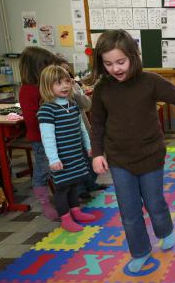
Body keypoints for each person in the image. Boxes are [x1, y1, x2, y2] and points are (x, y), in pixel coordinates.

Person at [90, 29, 175, 274]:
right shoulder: (103, 88)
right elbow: (98, 122)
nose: (115, 68)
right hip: (119, 159)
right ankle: (140, 251)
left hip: (151, 155)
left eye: (121, 62)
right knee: (129, 211)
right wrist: (97, 153)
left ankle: (165, 230)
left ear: (134, 57)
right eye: (108, 63)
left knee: (155, 203)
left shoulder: (150, 81)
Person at [37, 65, 96, 232]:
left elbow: (82, 129)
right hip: (61, 158)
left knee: (74, 183)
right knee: (62, 188)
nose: (64, 86)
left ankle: (75, 211)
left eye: (67, 82)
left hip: (75, 154)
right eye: (58, 83)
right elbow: (47, 137)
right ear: (47, 87)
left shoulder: (72, 104)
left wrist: (89, 146)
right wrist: (54, 159)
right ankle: (65, 218)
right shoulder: (47, 110)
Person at [19, 46, 60, 220]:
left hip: (56, 137)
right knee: (43, 170)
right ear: (37, 67)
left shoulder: (43, 87)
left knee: (58, 169)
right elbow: (32, 120)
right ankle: (44, 202)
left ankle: (63, 199)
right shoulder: (29, 91)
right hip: (42, 140)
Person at [58, 59, 108, 198]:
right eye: (62, 73)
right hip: (67, 137)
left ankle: (90, 184)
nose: (66, 78)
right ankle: (80, 190)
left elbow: (87, 104)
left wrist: (75, 90)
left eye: (67, 73)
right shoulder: (54, 100)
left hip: (83, 129)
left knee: (89, 157)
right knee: (76, 162)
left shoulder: (73, 88)